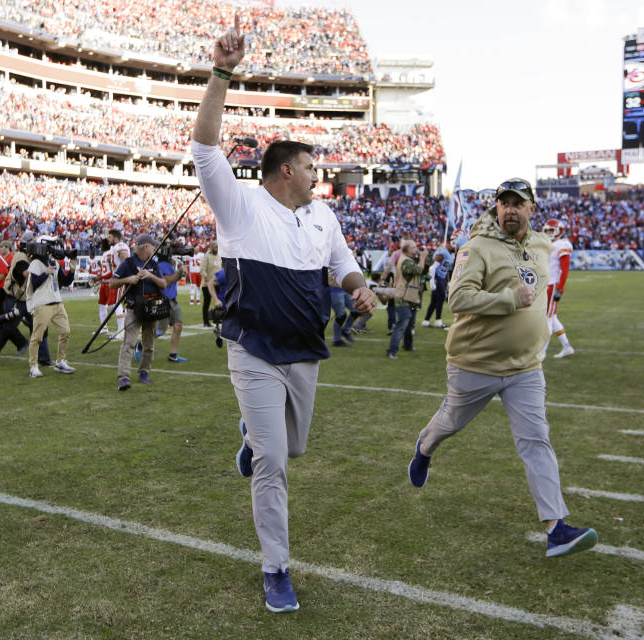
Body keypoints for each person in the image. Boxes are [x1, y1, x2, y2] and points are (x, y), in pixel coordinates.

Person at [192, 16, 377, 614]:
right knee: (275, 466)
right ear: (282, 171)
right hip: (252, 346)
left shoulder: (323, 217)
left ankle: (253, 436)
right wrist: (221, 72)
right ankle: (276, 568)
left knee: (290, 447)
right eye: (310, 166)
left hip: (305, 349)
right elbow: (203, 145)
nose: (318, 176)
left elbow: (342, 264)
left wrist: (360, 287)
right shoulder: (239, 205)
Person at [407, 177, 597, 559]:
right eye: (504, 202)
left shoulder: (543, 245)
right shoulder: (477, 247)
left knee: (536, 439)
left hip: (526, 367)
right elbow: (458, 299)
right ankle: (425, 447)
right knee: (451, 423)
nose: (510, 209)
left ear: (531, 209)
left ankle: (556, 527)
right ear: (496, 207)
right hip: (475, 363)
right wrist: (510, 298)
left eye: (518, 203)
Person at [109, 234, 178, 390]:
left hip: (152, 308)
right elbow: (112, 283)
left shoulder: (153, 264)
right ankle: (124, 377)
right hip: (134, 309)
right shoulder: (128, 264)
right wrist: (129, 279)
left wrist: (150, 275)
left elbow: (163, 284)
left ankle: (144, 371)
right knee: (129, 343)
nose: (155, 249)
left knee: (149, 344)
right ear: (146, 247)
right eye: (153, 246)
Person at [0, 232, 47, 367]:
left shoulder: (20, 256)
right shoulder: (20, 257)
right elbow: (23, 274)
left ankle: (43, 357)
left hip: (22, 297)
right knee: (7, 328)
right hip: (17, 297)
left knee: (36, 326)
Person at [25, 236, 76, 378]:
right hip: (42, 304)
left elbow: (65, 281)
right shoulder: (35, 263)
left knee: (66, 331)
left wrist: (72, 271)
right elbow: (34, 283)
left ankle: (60, 361)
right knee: (37, 337)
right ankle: (33, 366)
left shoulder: (53, 262)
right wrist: (45, 273)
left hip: (56, 302)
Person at [387, 239, 426, 359]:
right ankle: (391, 351)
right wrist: (423, 257)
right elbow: (419, 270)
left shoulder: (406, 259)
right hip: (404, 296)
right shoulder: (406, 261)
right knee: (402, 323)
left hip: (409, 295)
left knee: (410, 323)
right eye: (414, 247)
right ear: (407, 249)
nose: (416, 249)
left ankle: (408, 345)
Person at [542, 218, 575, 358]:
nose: (549, 233)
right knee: (552, 318)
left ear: (559, 231)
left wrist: (560, 289)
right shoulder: (547, 244)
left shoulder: (562, 245)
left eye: (551, 230)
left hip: (553, 284)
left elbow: (565, 269)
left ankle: (541, 353)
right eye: (547, 230)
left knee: (547, 319)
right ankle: (567, 347)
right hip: (545, 284)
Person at [156, 249, 189, 363]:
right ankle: (140, 345)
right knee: (160, 330)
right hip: (164, 300)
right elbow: (166, 282)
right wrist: (180, 272)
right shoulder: (162, 265)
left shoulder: (169, 263)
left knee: (178, 325)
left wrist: (181, 272)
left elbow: (176, 278)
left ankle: (173, 354)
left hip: (172, 299)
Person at [422, 238, 452, 328]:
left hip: (441, 278)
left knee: (434, 300)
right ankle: (438, 320)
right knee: (441, 298)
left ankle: (426, 321)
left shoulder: (448, 253)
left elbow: (446, 270)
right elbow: (432, 268)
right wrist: (432, 282)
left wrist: (448, 281)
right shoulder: (443, 251)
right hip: (437, 277)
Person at [199, 241, 221, 327]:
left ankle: (218, 319)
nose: (217, 249)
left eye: (217, 247)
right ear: (211, 247)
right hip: (207, 284)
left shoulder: (219, 256)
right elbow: (202, 269)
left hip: (218, 283)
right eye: (215, 247)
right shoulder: (206, 257)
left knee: (219, 302)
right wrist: (207, 278)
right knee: (207, 303)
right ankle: (206, 321)